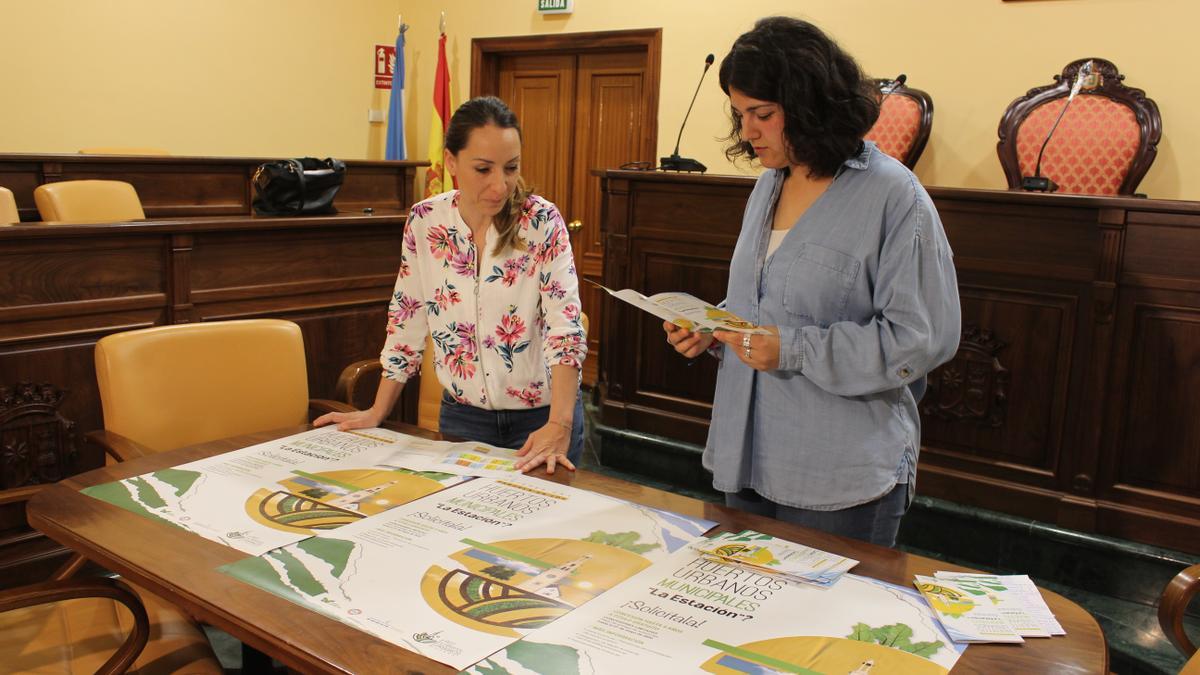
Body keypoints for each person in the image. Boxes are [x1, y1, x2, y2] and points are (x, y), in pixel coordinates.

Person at [664, 17, 961, 546]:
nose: (748, 131)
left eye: (763, 114)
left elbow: (920, 339)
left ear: (810, 105)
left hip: (838, 476)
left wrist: (792, 349)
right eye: (740, 114)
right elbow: (765, 302)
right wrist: (713, 329)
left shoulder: (894, 196)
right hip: (746, 456)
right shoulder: (768, 186)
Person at [316, 96, 587, 474]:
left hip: (541, 421)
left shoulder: (541, 222)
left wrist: (559, 424)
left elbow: (566, 328)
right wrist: (378, 411)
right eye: (483, 169)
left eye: (511, 168)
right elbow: (407, 318)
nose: (500, 184)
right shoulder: (426, 221)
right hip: (464, 421)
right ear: (451, 162)